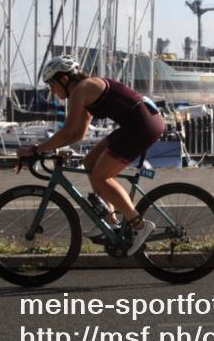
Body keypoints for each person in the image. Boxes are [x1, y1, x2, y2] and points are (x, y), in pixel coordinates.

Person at [16, 55, 167, 253]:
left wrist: (35, 149)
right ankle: (110, 223)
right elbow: (78, 134)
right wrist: (50, 148)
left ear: (64, 79)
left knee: (101, 176)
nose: (52, 91)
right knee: (90, 162)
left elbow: (68, 131)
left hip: (142, 125)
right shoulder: (83, 92)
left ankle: (139, 225)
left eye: (52, 85)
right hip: (138, 122)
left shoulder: (82, 90)